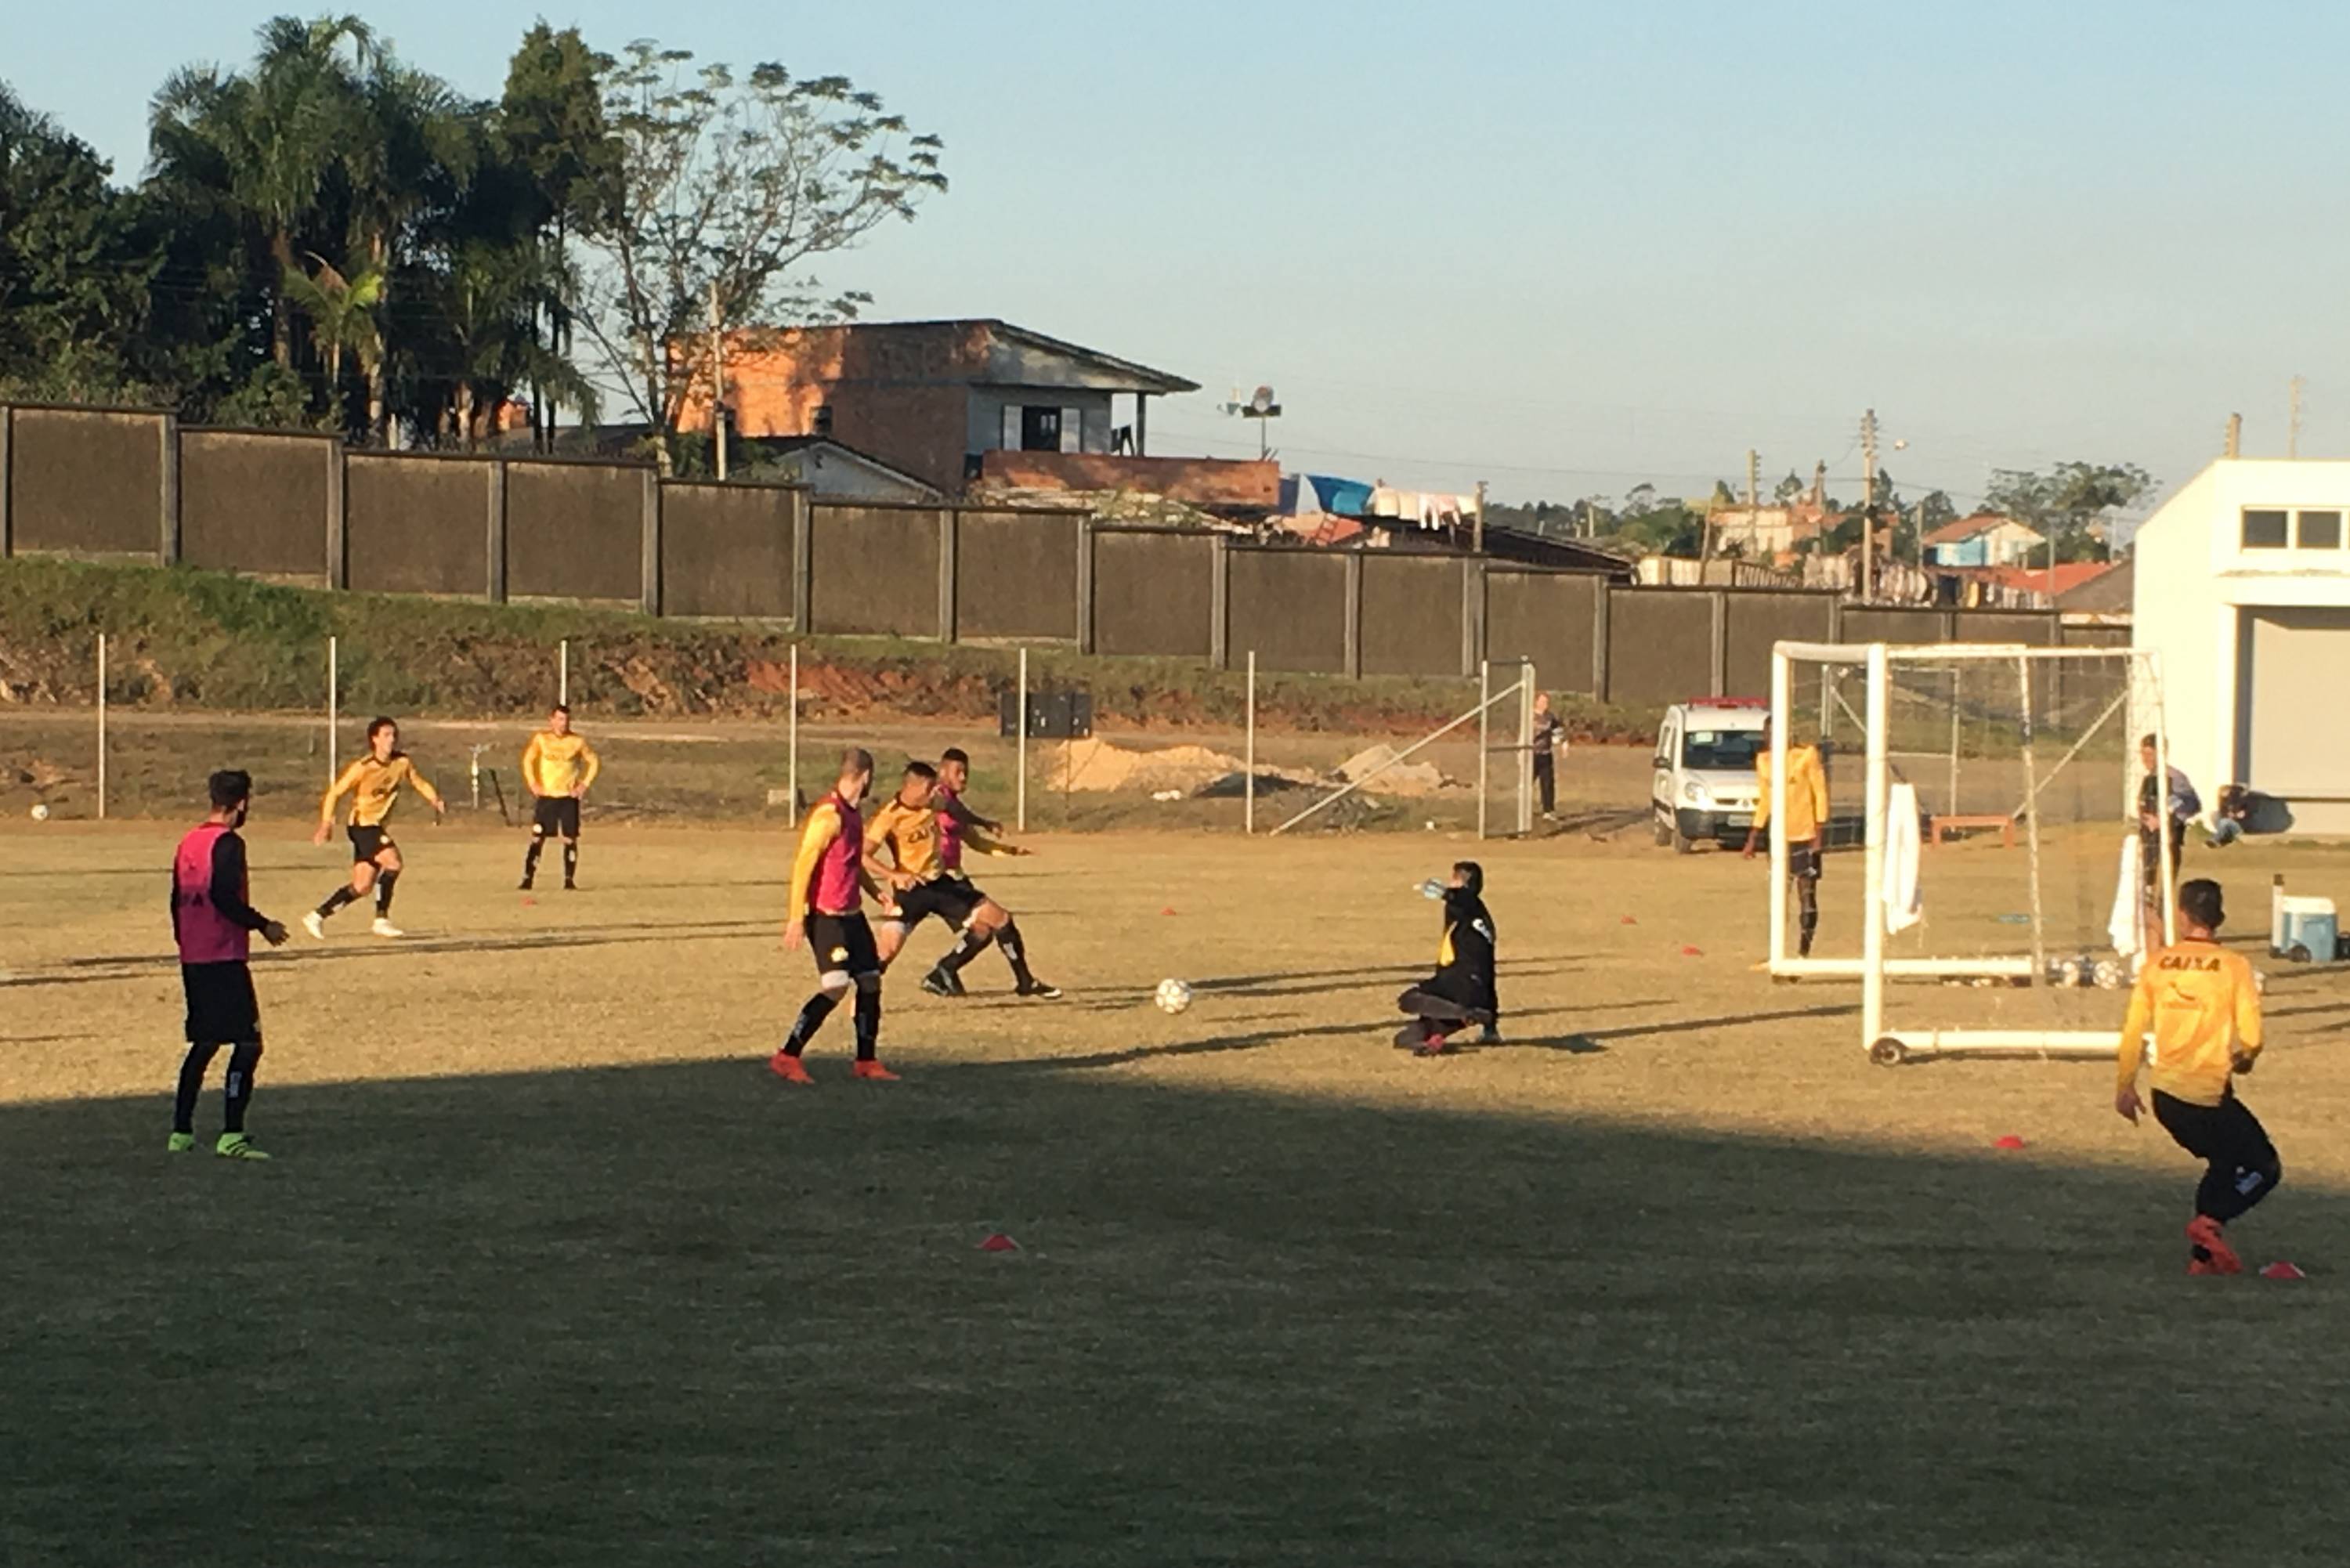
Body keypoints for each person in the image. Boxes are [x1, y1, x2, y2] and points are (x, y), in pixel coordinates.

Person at [2114, 878, 2280, 1275]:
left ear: (2182, 914)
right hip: (2207, 1096)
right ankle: (2210, 1223)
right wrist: (2246, 1058)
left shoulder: (2157, 965)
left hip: (2166, 1095)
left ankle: (2201, 1262)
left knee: (2223, 1163)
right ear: (2219, 916)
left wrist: (2125, 1085)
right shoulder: (2234, 966)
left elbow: (2133, 1029)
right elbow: (2252, 1037)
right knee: (2264, 1167)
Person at [169, 769, 290, 1159]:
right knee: (248, 1043)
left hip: (194, 955)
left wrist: (185, 941)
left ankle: (181, 1132)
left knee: (204, 1043)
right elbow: (223, 895)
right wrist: (263, 924)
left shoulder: (189, 841)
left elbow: (176, 898)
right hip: (223, 955)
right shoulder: (229, 843)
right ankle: (231, 1134)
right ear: (242, 803)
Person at [771, 747, 897, 1085]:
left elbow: (851, 862)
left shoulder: (854, 814)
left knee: (870, 981)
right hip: (826, 917)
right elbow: (803, 866)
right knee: (837, 985)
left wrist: (876, 892)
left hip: (853, 916)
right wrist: (796, 917)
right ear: (865, 777)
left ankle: (866, 1061)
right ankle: (787, 1056)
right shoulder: (829, 816)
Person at [926, 746, 1058, 999]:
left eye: (966, 772)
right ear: (942, 772)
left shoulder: (955, 806)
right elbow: (954, 811)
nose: (964, 777)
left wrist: (1010, 851)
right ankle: (1025, 981)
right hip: (940, 880)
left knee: (982, 931)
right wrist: (984, 821)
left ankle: (944, 971)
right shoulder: (937, 797)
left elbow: (976, 842)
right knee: (1002, 920)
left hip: (954, 878)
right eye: (958, 771)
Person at [306, 717, 444, 940]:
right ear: (375, 739)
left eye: (394, 735)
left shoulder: (402, 762)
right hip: (363, 826)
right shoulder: (363, 767)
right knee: (394, 863)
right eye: (386, 735)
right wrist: (326, 824)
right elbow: (334, 793)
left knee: (362, 886)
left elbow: (418, 781)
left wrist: (434, 798)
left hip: (375, 827)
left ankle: (317, 916)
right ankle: (381, 920)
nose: (392, 739)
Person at [1741, 716, 1830, 958]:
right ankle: (1778, 953)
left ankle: (1803, 952)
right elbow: (1765, 800)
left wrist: (1818, 834)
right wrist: (1753, 836)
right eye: (1768, 733)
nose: (1772, 738)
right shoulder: (1764, 761)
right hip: (1779, 838)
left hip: (1805, 835)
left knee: (1807, 896)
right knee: (1779, 897)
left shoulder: (1806, 755)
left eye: (1776, 733)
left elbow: (1820, 794)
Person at [1394, 862, 1499, 1057]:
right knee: (1404, 1038)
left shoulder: (1464, 904)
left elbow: (1463, 899)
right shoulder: (1484, 919)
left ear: (1459, 882)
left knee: (1408, 1000)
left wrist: (1445, 893)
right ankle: (1431, 1042)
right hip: (1477, 996)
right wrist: (1491, 1026)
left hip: (1456, 987)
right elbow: (1490, 972)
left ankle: (1463, 1014)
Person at [519, 703, 600, 891]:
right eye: (560, 719)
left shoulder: (577, 741)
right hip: (547, 796)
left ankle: (569, 880)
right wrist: (533, 783)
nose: (564, 723)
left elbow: (594, 761)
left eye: (567, 720)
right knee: (538, 837)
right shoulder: (542, 739)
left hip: (567, 797)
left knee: (570, 839)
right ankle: (528, 879)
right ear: (552, 720)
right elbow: (528, 760)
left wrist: (583, 784)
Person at [2138, 735, 2200, 929]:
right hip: (2149, 842)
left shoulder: (2174, 778)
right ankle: (2148, 927)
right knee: (2146, 889)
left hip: (2168, 842)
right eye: (2143, 754)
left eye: (2150, 754)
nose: (2146, 759)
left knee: (2163, 891)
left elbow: (2191, 804)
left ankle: (2162, 929)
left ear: (2161, 753)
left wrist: (2165, 819)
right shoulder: (2149, 779)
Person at [1529, 692, 1567, 820]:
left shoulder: (1550, 717)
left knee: (1547, 783)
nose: (1545, 705)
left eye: (1546, 702)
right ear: (1536, 702)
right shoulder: (1529, 716)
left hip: (1545, 754)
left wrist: (1564, 744)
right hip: (1531, 755)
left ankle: (1548, 810)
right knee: (1527, 782)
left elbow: (1558, 731)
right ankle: (1522, 809)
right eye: (1542, 701)